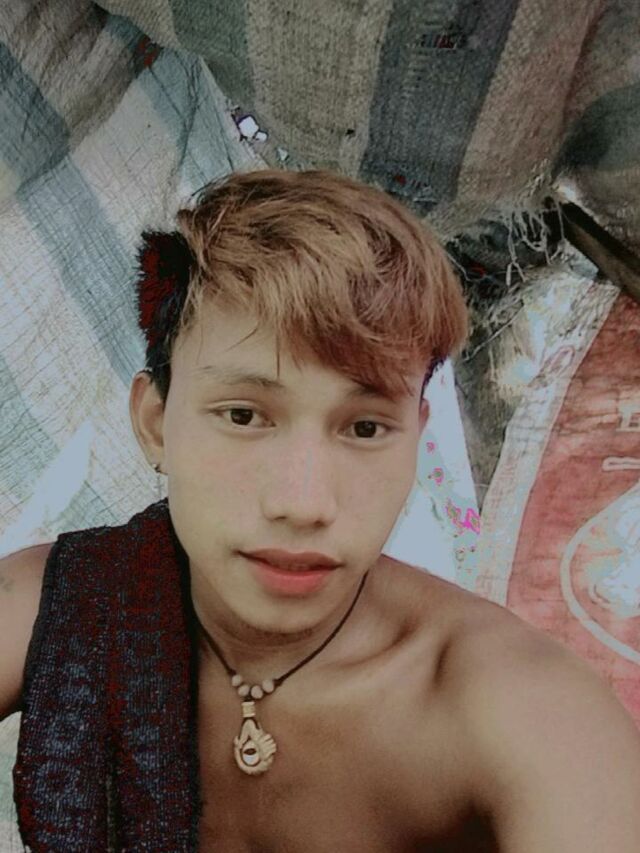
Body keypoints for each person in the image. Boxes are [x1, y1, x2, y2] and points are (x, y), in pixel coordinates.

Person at [1, 168, 640, 852]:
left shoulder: (516, 708)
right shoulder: (64, 603)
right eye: (243, 415)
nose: (302, 503)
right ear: (156, 423)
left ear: (416, 438)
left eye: (364, 428)